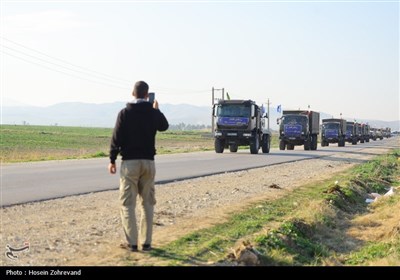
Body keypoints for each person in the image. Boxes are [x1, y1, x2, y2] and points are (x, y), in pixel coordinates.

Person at [108, 81, 169, 252]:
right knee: (147, 203)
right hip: (148, 163)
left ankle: (133, 243)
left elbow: (116, 138)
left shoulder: (125, 113)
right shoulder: (152, 113)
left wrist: (112, 159)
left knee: (128, 204)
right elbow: (164, 126)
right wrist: (157, 110)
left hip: (130, 163)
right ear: (147, 94)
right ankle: (147, 243)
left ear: (132, 93)